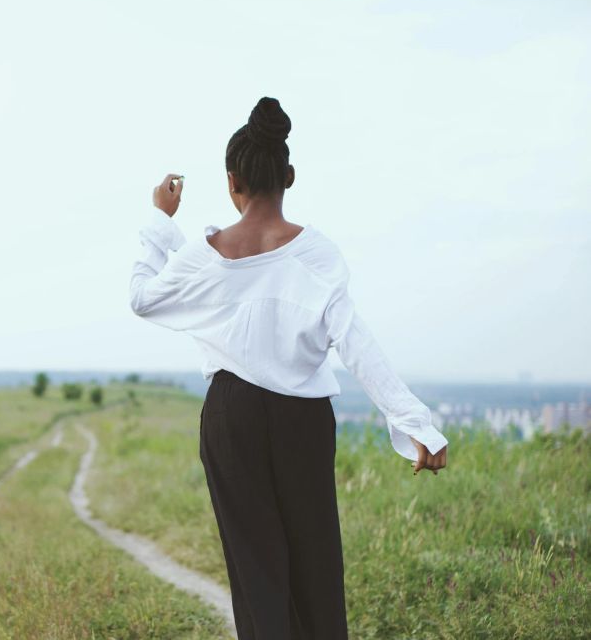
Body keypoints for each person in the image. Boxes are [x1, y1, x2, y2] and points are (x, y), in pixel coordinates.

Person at [128, 96, 449, 640]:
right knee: (316, 566)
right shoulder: (317, 255)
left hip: (232, 420)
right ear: (289, 176)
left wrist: (161, 222)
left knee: (257, 574)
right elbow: (357, 345)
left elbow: (144, 297)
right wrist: (417, 425)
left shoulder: (205, 256)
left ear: (233, 182)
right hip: (302, 422)